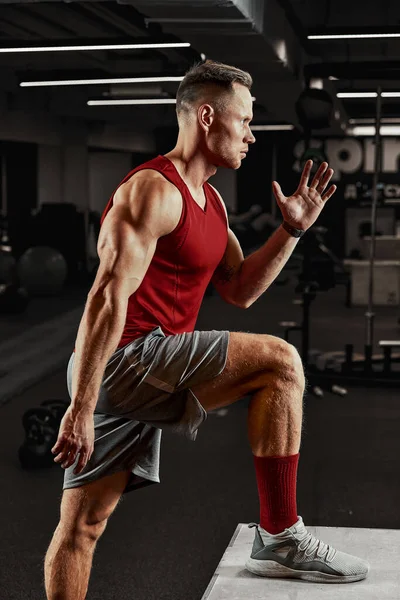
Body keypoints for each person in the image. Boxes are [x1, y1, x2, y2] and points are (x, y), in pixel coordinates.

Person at [44, 60, 369, 599]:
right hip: (124, 359)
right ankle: (280, 539)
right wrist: (80, 406)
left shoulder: (211, 201)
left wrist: (291, 229)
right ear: (207, 115)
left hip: (136, 369)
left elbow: (240, 289)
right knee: (281, 362)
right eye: (243, 120)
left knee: (82, 526)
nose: (250, 133)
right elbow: (106, 296)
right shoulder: (153, 191)